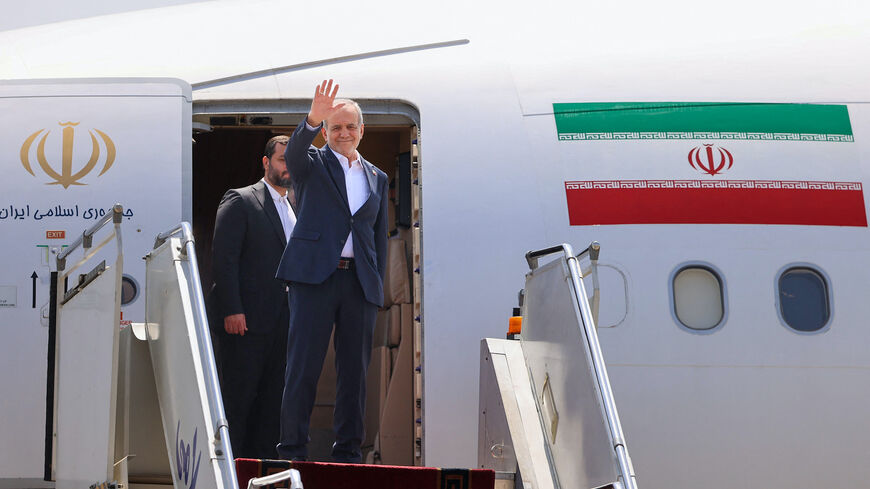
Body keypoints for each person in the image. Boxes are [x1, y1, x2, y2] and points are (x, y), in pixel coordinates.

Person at [275, 79, 389, 463]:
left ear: (362, 131)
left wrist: (376, 285)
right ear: (325, 131)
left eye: (350, 126)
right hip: (314, 280)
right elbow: (292, 154)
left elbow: (377, 239)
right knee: (303, 367)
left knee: (354, 374)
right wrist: (310, 119)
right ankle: (292, 450)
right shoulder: (312, 164)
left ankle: (348, 454)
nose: (343, 133)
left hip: (358, 283)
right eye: (335, 127)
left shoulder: (377, 177)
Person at [207, 135, 297, 459]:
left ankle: (260, 476)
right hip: (245, 325)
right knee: (237, 406)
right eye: (283, 159)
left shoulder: (294, 207)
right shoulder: (242, 200)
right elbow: (224, 259)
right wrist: (233, 309)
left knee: (272, 409)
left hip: (283, 326)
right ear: (266, 162)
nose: (288, 166)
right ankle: (228, 473)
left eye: (294, 160)